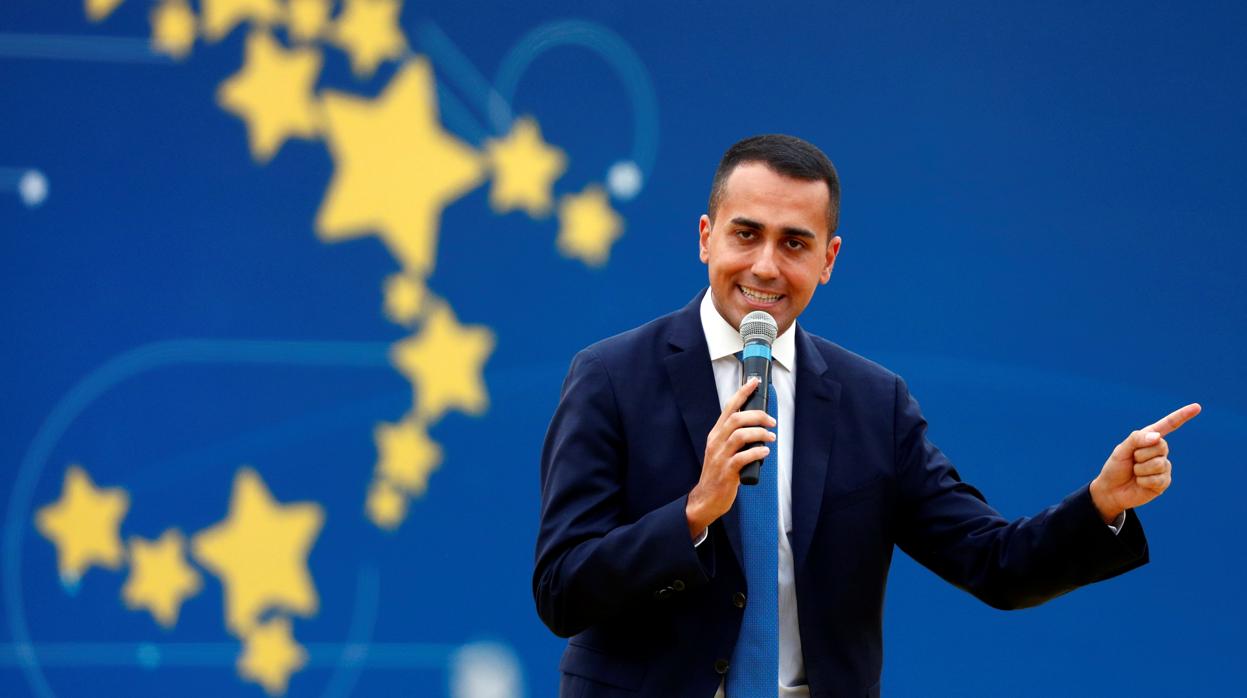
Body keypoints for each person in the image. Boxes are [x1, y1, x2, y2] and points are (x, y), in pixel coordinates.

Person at [532, 134, 1200, 697]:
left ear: (828, 260)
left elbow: (995, 564)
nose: (765, 266)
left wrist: (1101, 504)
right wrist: (692, 514)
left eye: (794, 244)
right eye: (746, 234)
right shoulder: (611, 376)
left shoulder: (873, 403)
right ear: (706, 238)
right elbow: (562, 589)